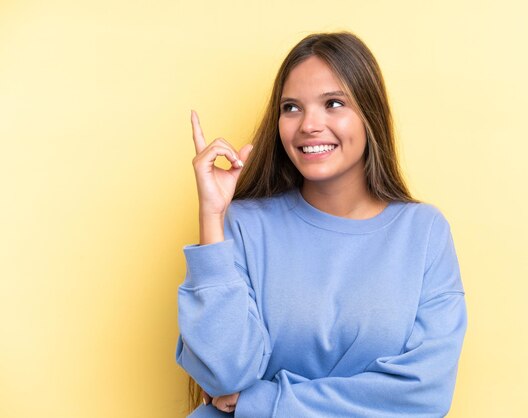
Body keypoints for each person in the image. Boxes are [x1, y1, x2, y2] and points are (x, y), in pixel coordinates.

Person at [176, 31, 467, 417]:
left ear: (370, 114)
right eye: (292, 108)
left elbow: (424, 393)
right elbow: (225, 376)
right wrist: (212, 218)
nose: (309, 125)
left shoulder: (423, 232)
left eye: (333, 103)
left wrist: (263, 402)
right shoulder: (243, 225)